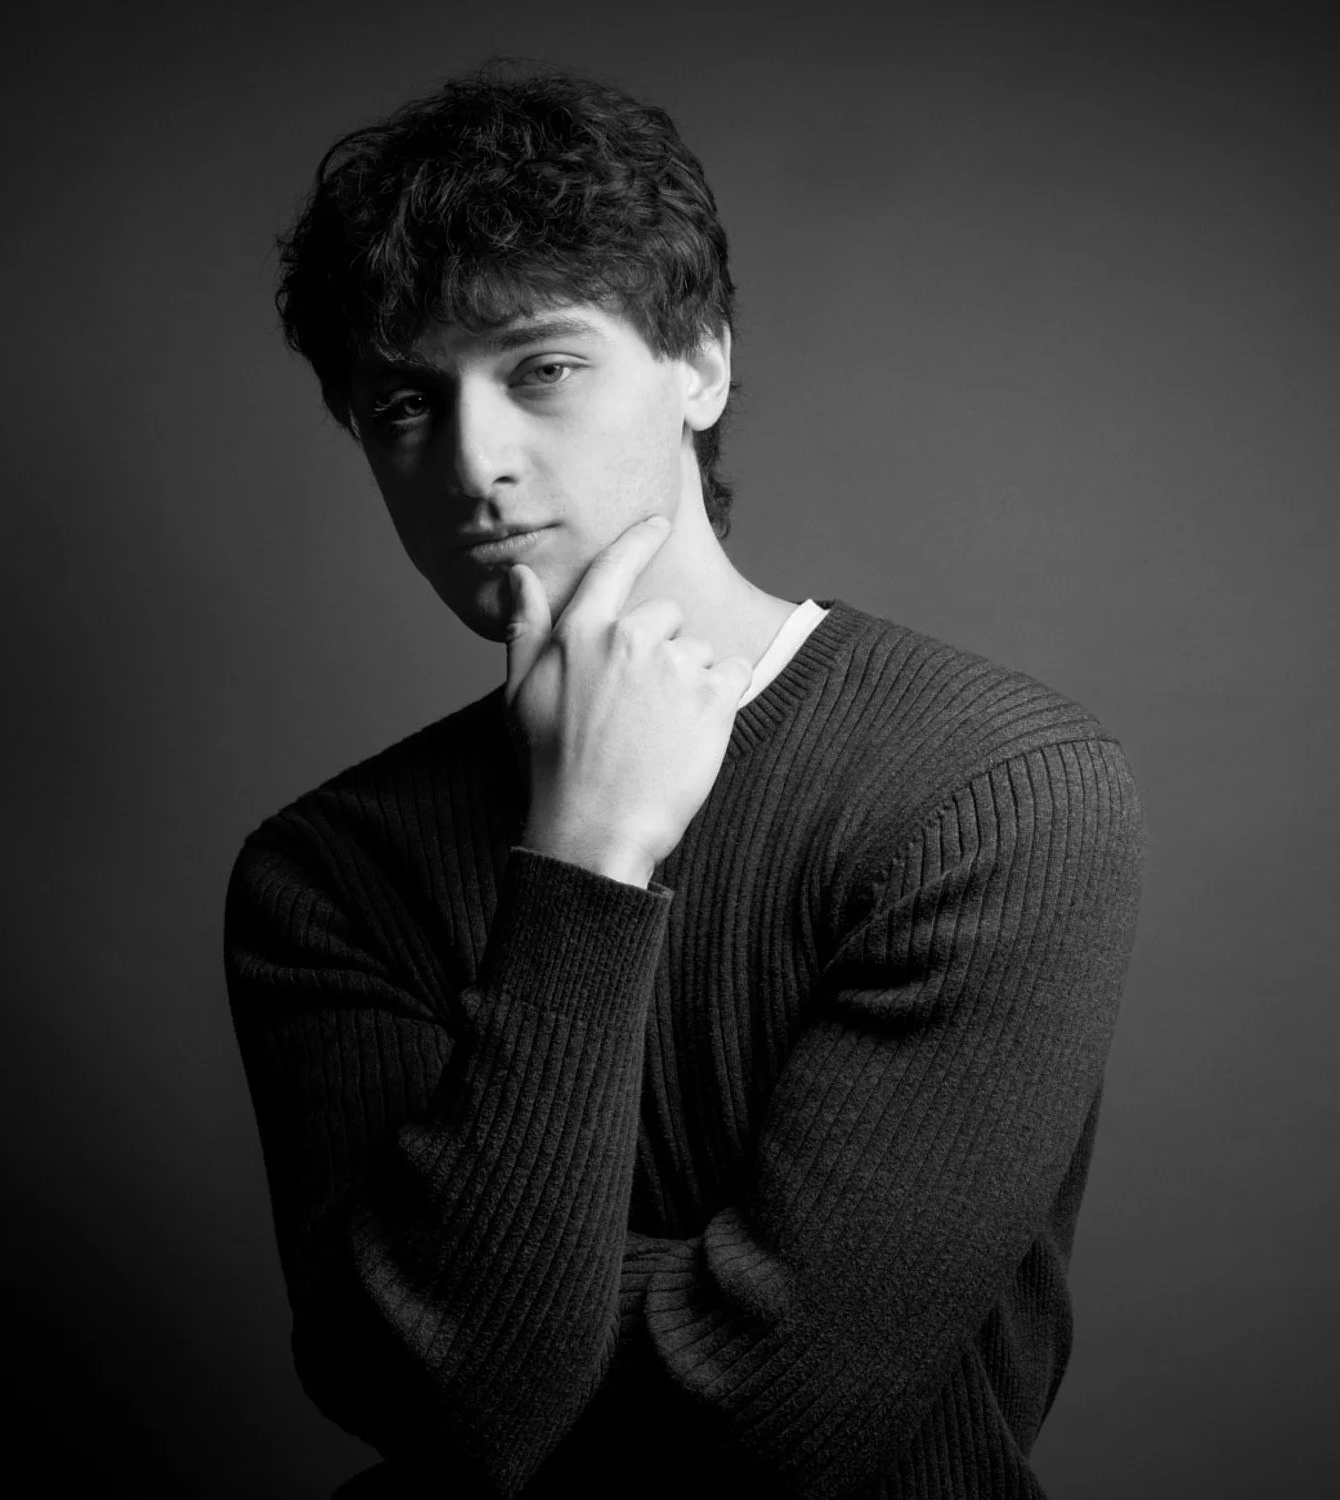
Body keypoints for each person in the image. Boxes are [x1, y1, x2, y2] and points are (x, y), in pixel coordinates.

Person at [223, 69, 1143, 1498]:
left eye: (540, 369)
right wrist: (584, 860)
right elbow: (428, 1398)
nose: (473, 463)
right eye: (404, 403)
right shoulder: (327, 875)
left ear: (700, 363)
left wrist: (501, 1304)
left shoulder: (991, 790)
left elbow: (769, 1417)